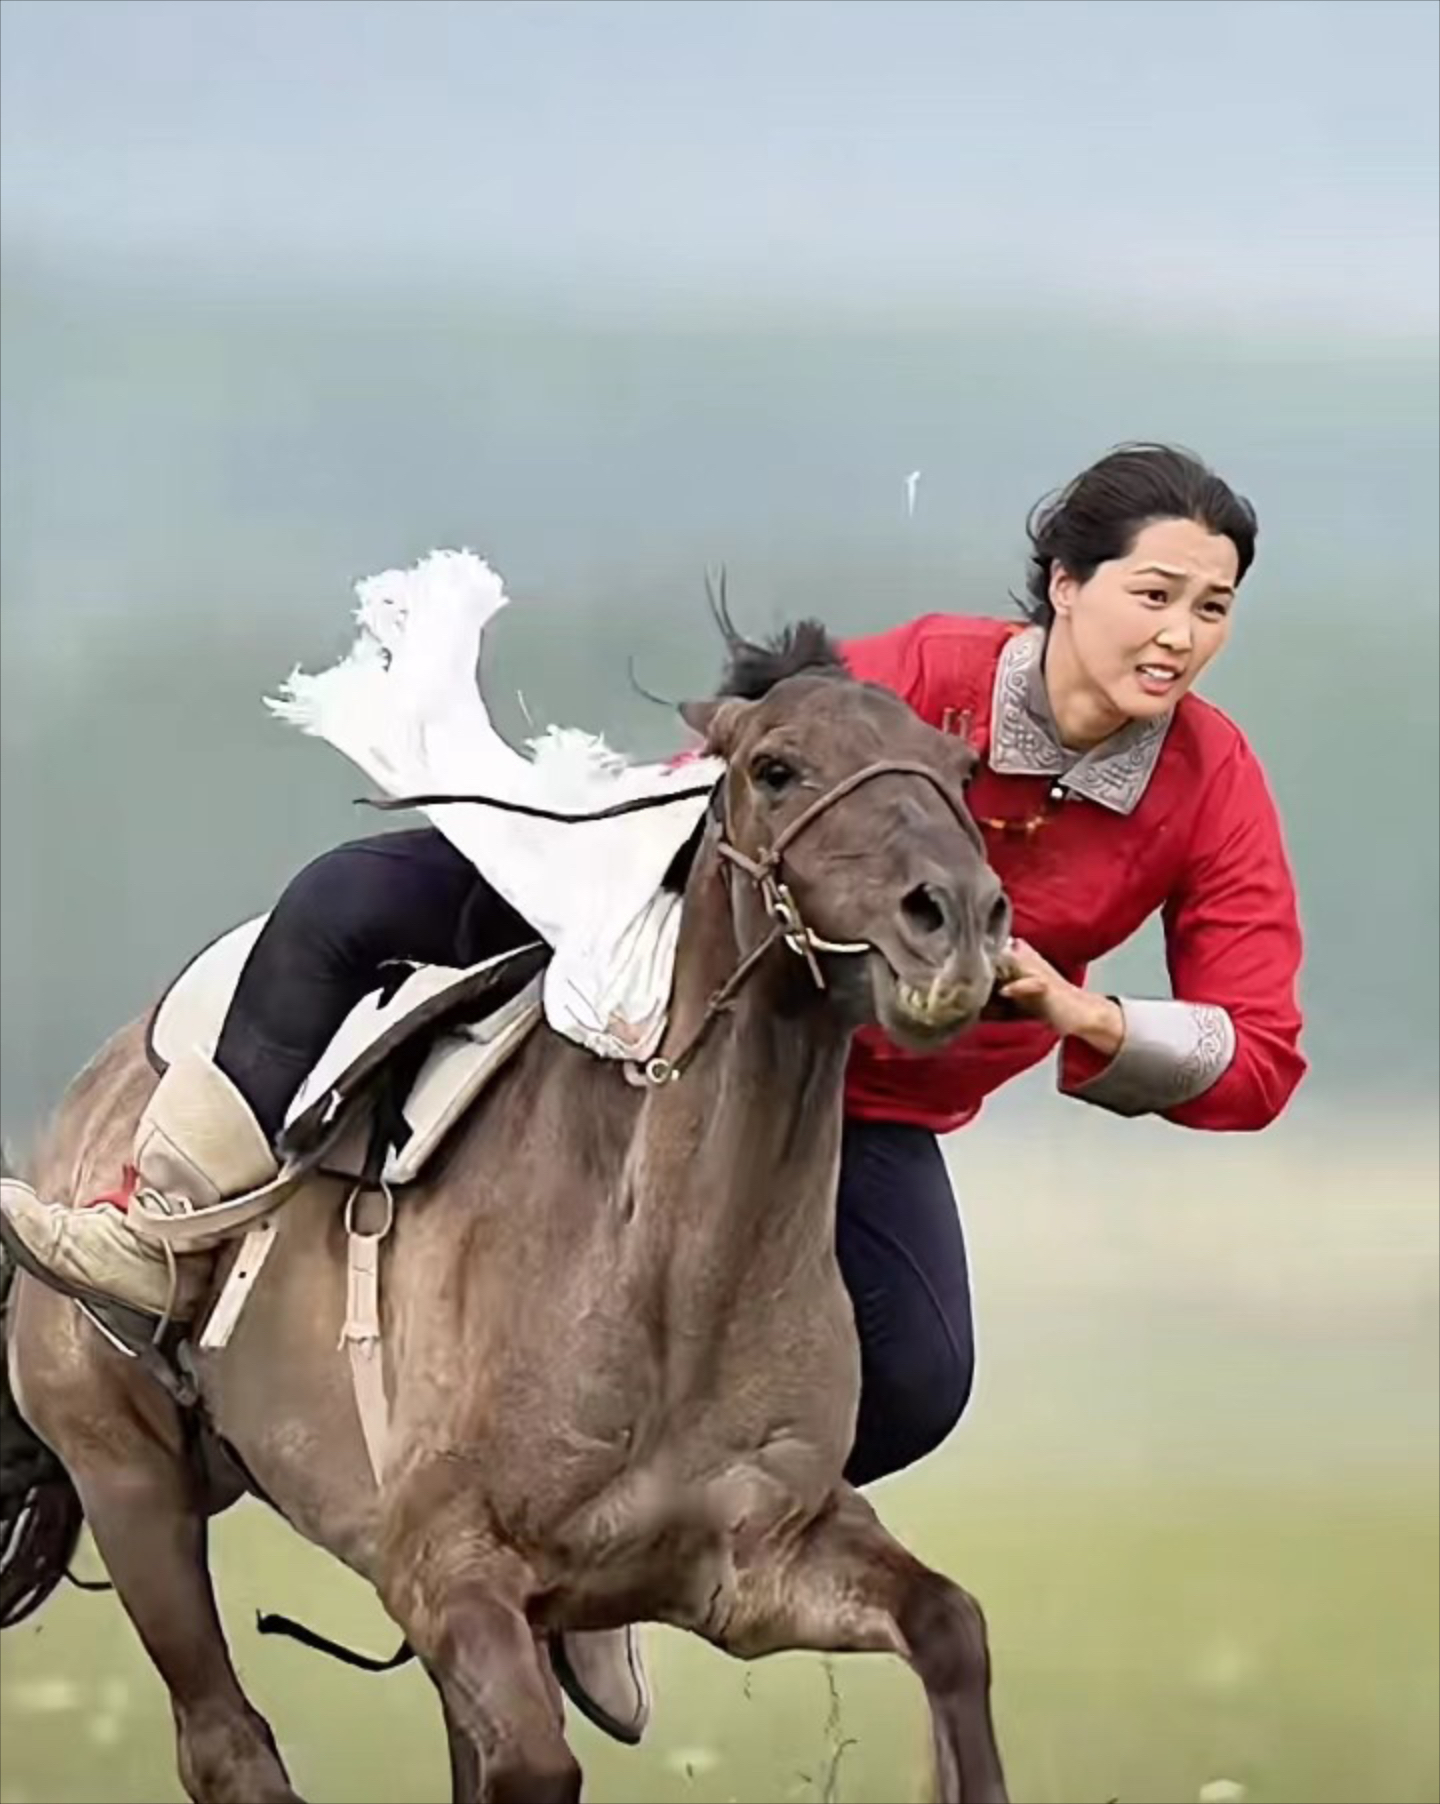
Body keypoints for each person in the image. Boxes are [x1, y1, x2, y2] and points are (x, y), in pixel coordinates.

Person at [1, 441, 1306, 1742]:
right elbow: (735, 799)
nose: (1182, 635)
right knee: (349, 898)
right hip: (687, 1031)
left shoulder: (1210, 783)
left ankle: (617, 1539)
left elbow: (1258, 1056)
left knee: (917, 1378)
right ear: (1064, 587)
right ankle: (164, 1222)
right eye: (1155, 594)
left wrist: (1086, 1013)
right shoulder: (914, 680)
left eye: (1214, 608)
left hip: (870, 1116)